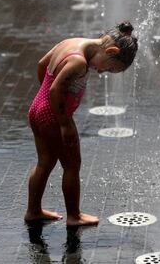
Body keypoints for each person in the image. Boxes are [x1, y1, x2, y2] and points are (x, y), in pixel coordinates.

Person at [25, 22, 138, 226]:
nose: (102, 72)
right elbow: (55, 90)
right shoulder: (78, 63)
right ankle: (74, 216)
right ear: (110, 50)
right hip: (53, 118)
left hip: (37, 110)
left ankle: (33, 211)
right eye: (110, 68)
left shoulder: (72, 42)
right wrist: (64, 123)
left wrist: (43, 101)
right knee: (72, 164)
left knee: (45, 162)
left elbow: (42, 64)